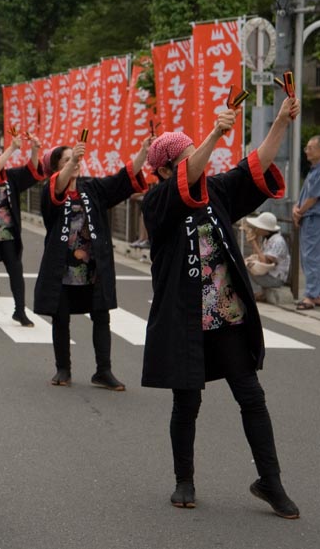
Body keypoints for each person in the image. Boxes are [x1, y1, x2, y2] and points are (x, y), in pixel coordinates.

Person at [141, 98, 301, 518]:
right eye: (186, 156)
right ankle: (184, 480)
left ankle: (271, 481)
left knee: (251, 396)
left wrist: (281, 122)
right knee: (187, 401)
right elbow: (186, 178)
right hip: (184, 318)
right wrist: (215, 133)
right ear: (163, 170)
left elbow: (254, 165)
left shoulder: (217, 191)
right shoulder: (157, 202)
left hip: (226, 313)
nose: (198, 160)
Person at [34, 137, 149, 390]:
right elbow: (58, 187)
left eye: (74, 159)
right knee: (61, 317)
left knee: (101, 315)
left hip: (92, 267)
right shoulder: (50, 191)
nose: (74, 164)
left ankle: (103, 371)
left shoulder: (92, 189)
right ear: (56, 168)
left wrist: (143, 152)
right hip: (61, 268)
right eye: (66, 161)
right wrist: (73, 158)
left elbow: (124, 178)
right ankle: (63, 368)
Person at [0, 136, 46, 326]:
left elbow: (31, 172)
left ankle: (19, 311)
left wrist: (35, 150)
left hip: (8, 233)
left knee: (16, 271)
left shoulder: (10, 176)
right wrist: (12, 148)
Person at [293, 135, 320, 309]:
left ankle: (311, 295)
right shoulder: (314, 169)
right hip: (309, 216)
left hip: (313, 218)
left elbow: (313, 197)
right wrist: (297, 208)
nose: (307, 151)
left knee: (311, 256)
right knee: (311, 255)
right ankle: (315, 293)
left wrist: (299, 212)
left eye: (310, 147)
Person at [243, 211, 289, 302]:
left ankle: (256, 293)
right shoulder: (268, 239)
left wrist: (253, 242)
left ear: (265, 230)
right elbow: (260, 257)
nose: (256, 229)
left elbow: (265, 262)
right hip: (268, 274)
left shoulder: (277, 241)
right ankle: (257, 293)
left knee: (246, 269)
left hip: (275, 278)